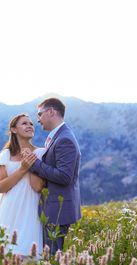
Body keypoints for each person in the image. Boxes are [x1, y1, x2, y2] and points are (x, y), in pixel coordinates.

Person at [27, 97, 81, 254]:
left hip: (58, 211)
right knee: (50, 256)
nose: (38, 120)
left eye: (39, 114)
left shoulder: (64, 139)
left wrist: (35, 164)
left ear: (51, 112)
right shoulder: (58, 136)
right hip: (53, 208)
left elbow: (64, 176)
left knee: (52, 259)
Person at [0, 113, 45, 256]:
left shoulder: (40, 153)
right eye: (24, 123)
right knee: (1, 253)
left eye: (31, 124)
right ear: (14, 130)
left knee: (26, 252)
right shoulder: (5, 155)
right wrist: (23, 168)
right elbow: (2, 187)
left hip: (29, 208)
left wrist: (32, 163)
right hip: (7, 208)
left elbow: (37, 187)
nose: (30, 126)